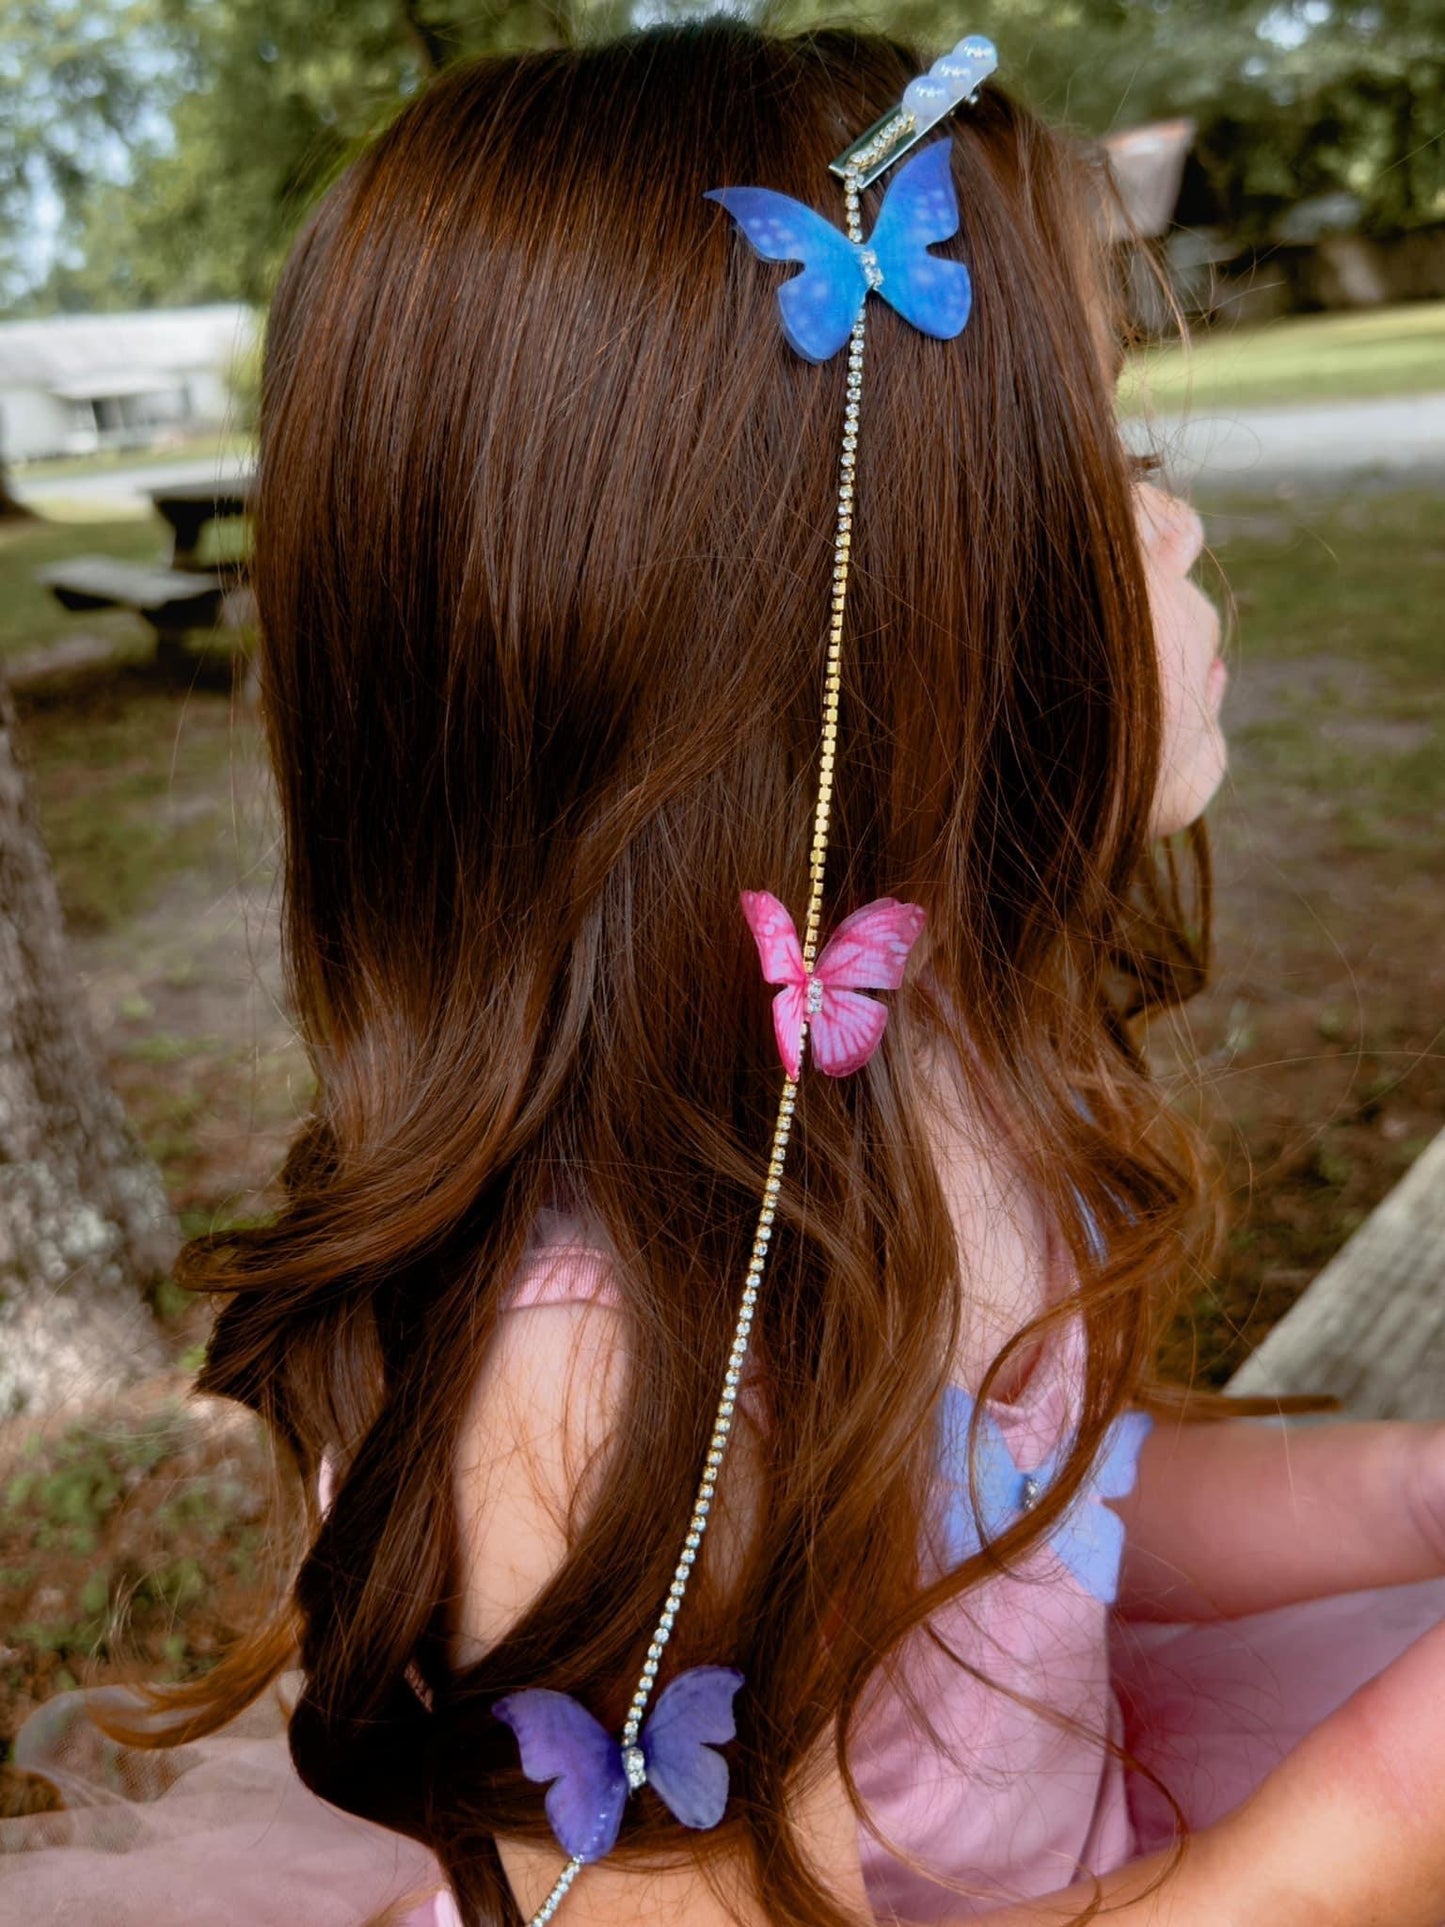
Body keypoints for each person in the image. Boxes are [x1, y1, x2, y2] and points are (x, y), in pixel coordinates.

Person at [7, 18, 1445, 1927]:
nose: (1177, 525)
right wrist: (1375, 1797)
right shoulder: (590, 1383)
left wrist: (1413, 1495)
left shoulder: (913, 1060)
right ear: (823, 644)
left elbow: (1032, 1518)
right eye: (1103, 460)